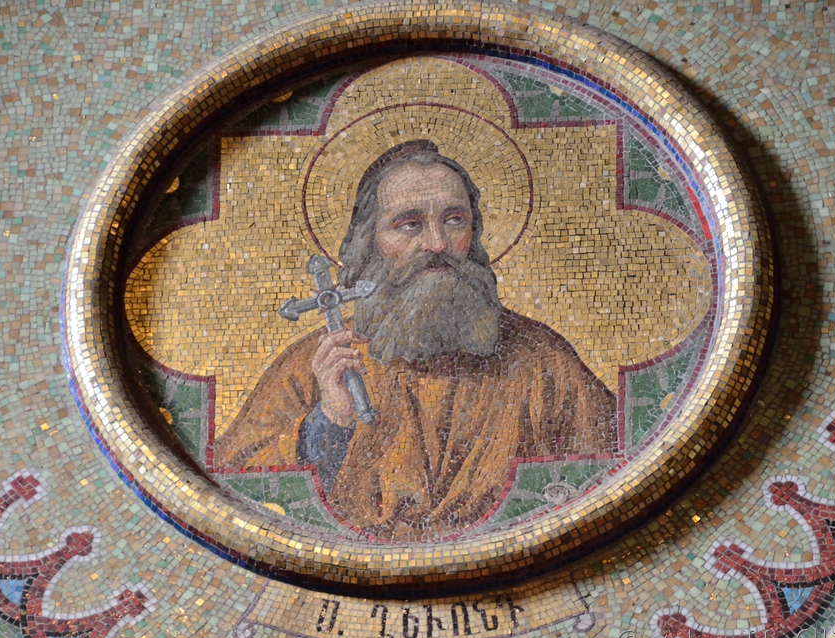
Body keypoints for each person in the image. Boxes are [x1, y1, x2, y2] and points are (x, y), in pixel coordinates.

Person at [214, 140, 618, 541]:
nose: (437, 243)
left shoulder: (541, 361)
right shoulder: (322, 363)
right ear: (370, 242)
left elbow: (607, 479)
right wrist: (329, 422)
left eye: (454, 220)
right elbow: (238, 495)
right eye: (409, 224)